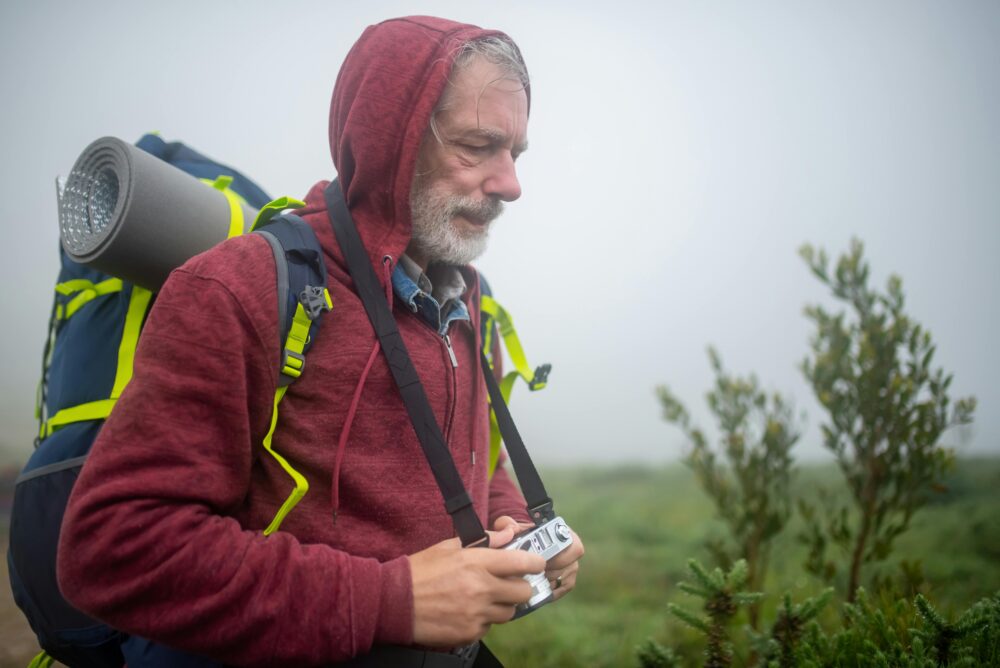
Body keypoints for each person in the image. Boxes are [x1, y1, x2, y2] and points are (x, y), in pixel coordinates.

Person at [57, 15, 584, 667]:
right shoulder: (238, 289)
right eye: (477, 147)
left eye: (515, 152)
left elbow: (476, 459)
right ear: (391, 140)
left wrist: (519, 527)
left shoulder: (467, 300)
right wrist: (392, 600)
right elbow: (110, 549)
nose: (511, 184)